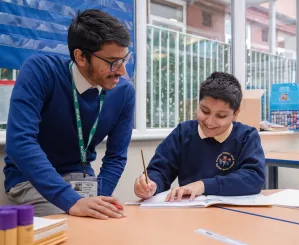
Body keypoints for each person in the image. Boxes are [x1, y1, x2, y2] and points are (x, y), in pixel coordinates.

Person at [3, 9, 135, 219]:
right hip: (31, 181)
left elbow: (116, 157)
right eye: (113, 62)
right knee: (74, 226)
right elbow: (19, 142)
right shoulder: (41, 71)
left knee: (115, 222)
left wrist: (97, 201)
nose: (122, 71)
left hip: (84, 181)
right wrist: (72, 201)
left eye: (124, 59)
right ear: (81, 57)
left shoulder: (124, 92)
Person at [133, 72, 265, 201]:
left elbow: (254, 178)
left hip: (234, 215)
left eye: (221, 116)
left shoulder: (246, 136)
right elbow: (160, 170)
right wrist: (151, 184)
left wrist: (202, 186)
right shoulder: (183, 133)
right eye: (205, 111)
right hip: (191, 214)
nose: (209, 122)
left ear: (235, 114)